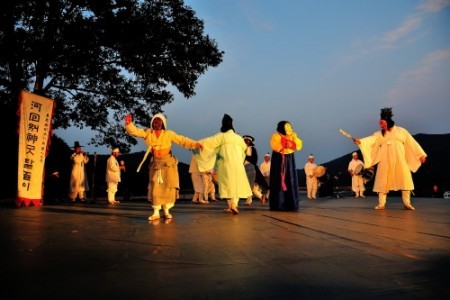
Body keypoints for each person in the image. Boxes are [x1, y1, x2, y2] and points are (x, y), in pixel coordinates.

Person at [125, 113, 203, 221]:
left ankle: (166, 211)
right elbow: (135, 131)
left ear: (163, 123)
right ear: (152, 122)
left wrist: (195, 144)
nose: (156, 122)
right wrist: (129, 124)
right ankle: (156, 212)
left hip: (168, 164)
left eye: (159, 120)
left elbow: (182, 140)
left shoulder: (168, 134)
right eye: (155, 120)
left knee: (168, 187)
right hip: (156, 164)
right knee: (155, 187)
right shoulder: (148, 133)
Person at [352, 107, 427, 210]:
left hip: (400, 159)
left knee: (404, 179)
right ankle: (381, 204)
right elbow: (371, 140)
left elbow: (411, 142)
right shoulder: (379, 134)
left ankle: (407, 203)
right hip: (385, 160)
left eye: (382, 122)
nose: (380, 125)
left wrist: (420, 155)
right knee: (383, 180)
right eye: (380, 123)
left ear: (387, 122)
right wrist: (360, 141)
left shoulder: (401, 131)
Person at [196, 114, 252, 214]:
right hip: (238, 165)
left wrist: (195, 144)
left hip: (226, 164)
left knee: (227, 186)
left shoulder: (221, 136)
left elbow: (208, 142)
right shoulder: (239, 138)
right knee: (236, 185)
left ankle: (232, 205)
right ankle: (234, 205)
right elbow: (245, 150)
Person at [269, 120, 303, 211]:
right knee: (279, 179)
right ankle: (279, 204)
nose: (289, 129)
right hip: (279, 158)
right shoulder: (275, 136)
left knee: (290, 178)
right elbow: (275, 146)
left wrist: (291, 143)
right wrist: (286, 143)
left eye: (290, 127)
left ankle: (291, 204)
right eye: (286, 127)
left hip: (289, 158)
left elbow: (299, 144)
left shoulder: (293, 135)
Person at [242, 135, 268, 206]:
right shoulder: (241, 148)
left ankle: (249, 200)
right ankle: (260, 197)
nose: (246, 141)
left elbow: (254, 160)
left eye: (247, 140)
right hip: (243, 168)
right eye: (245, 140)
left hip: (250, 168)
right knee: (250, 187)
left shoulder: (252, 149)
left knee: (250, 186)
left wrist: (245, 156)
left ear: (250, 142)